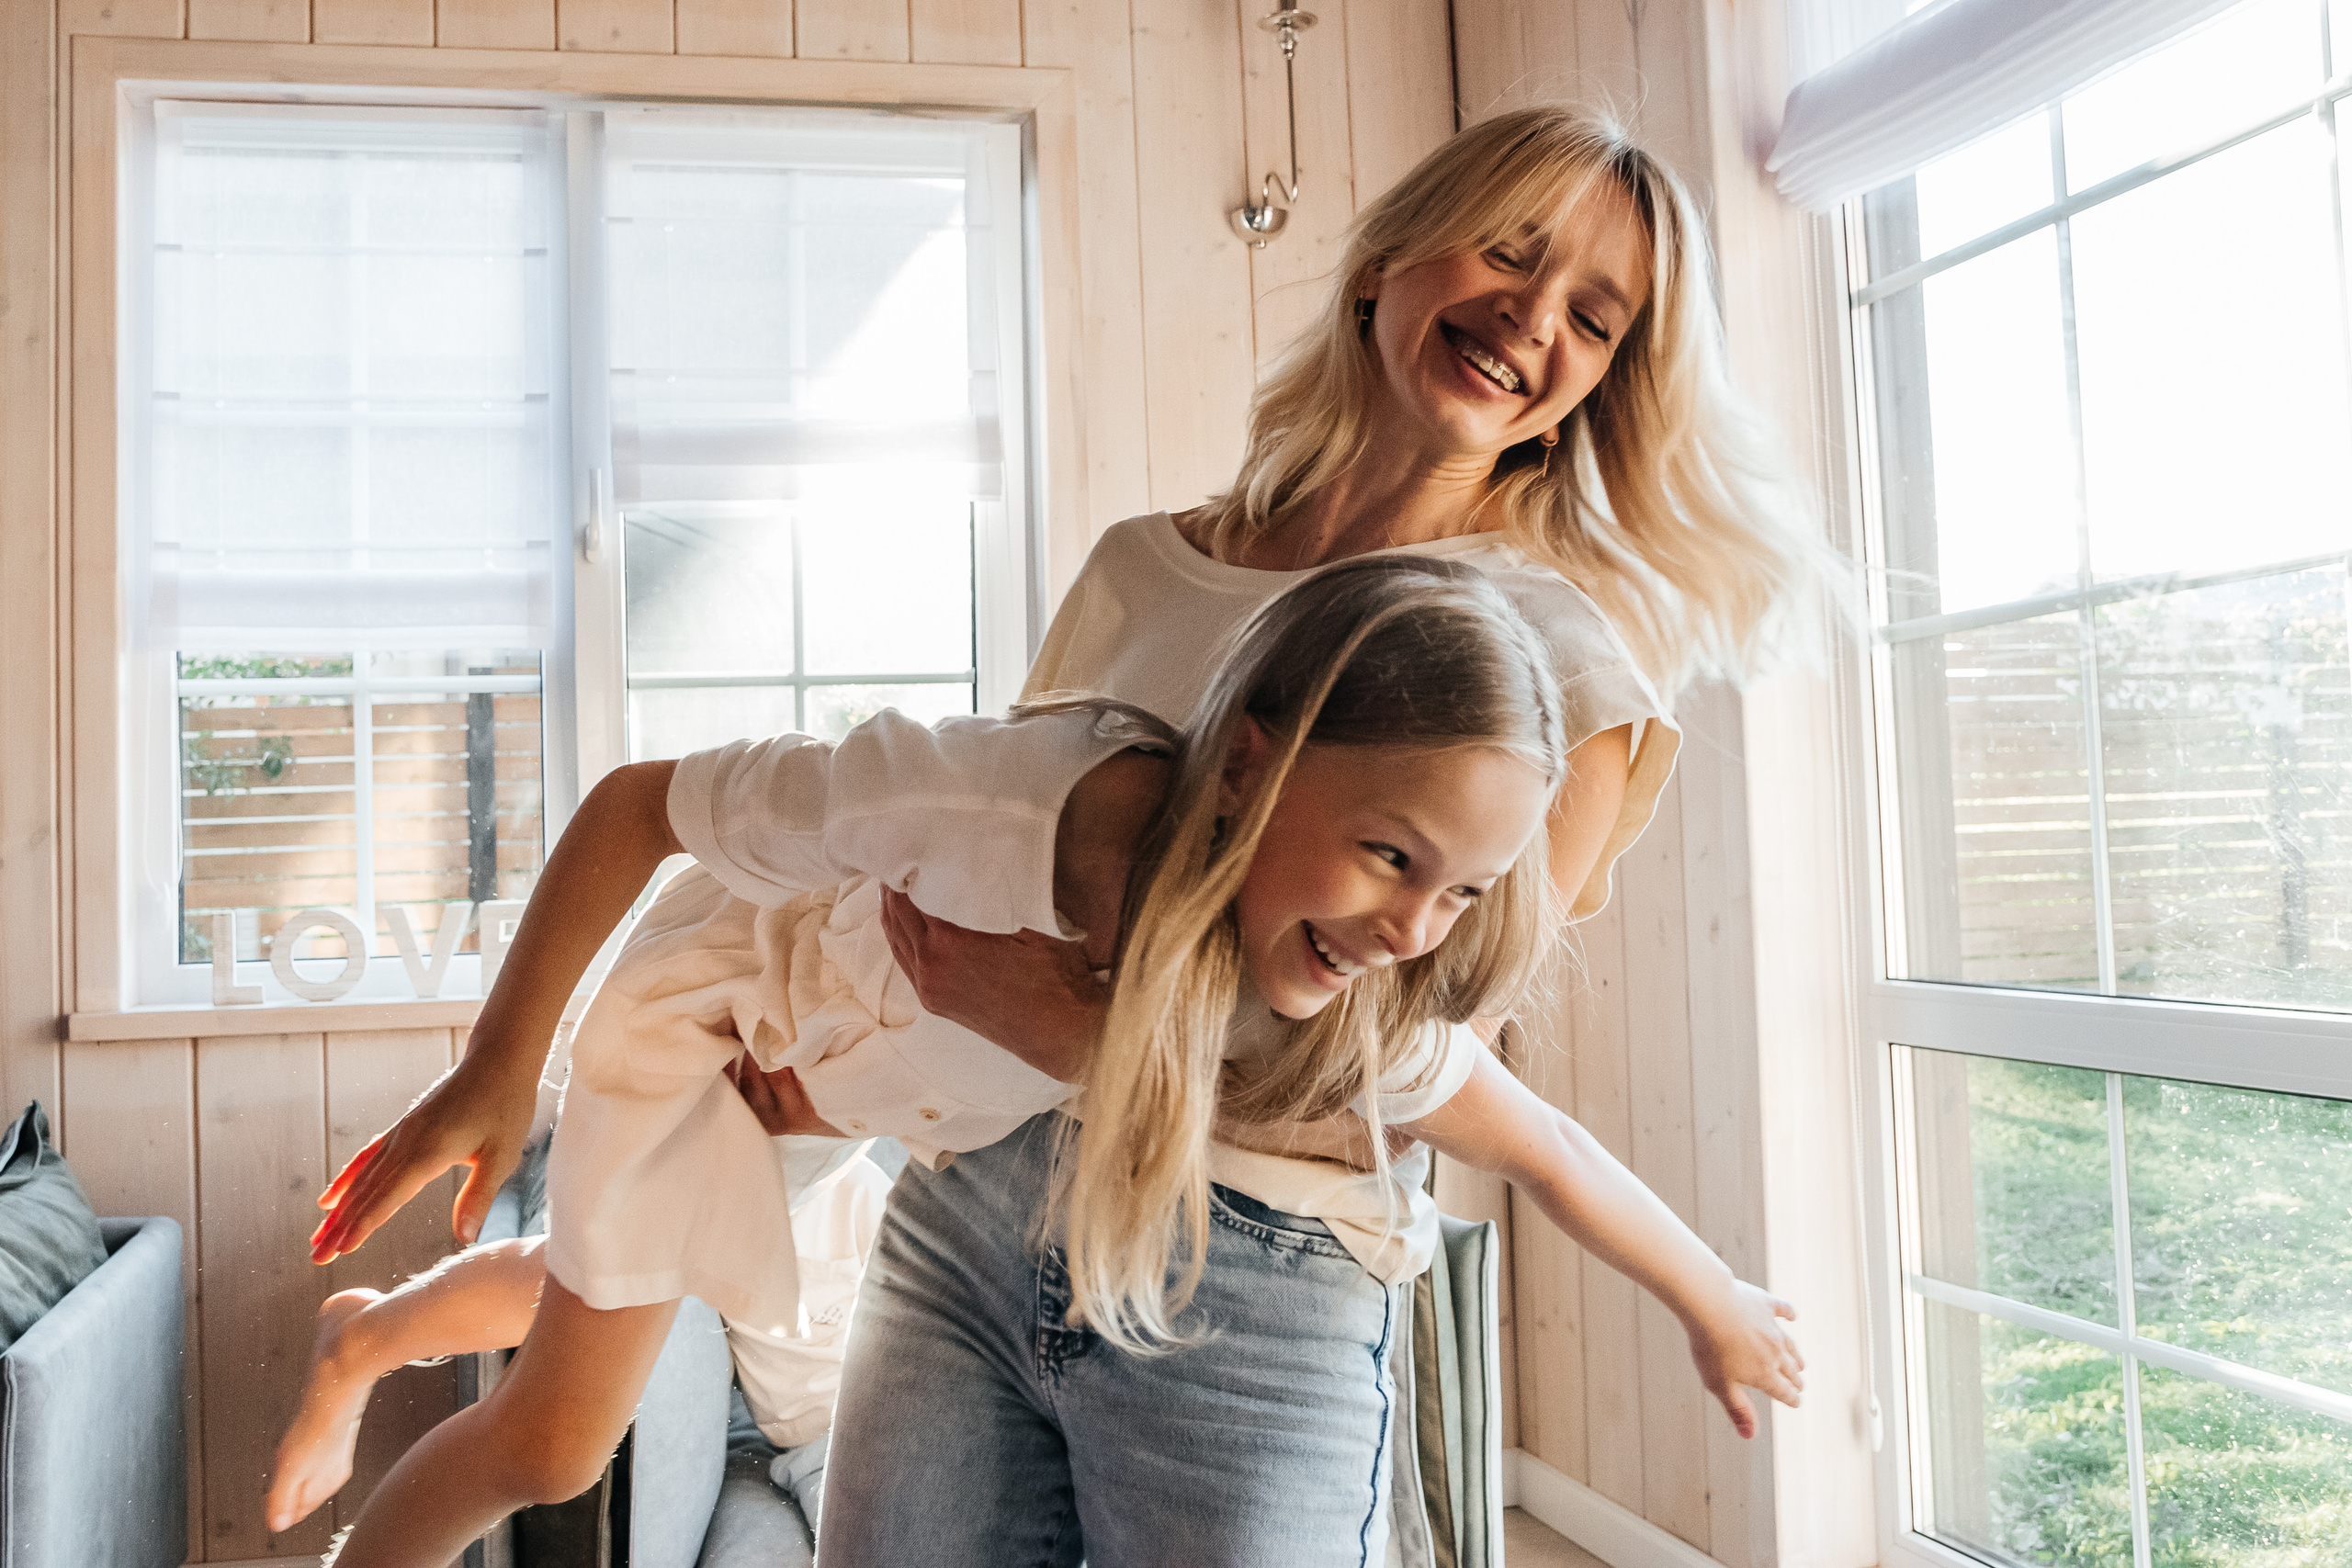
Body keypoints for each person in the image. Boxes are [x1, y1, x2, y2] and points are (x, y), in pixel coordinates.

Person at [315, 102, 1831, 1566]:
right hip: (973, 1206)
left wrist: (1046, 1020)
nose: (1535, 318)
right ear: (1387, 261)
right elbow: (1000, 861)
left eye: (1598, 316)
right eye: (1511, 252)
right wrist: (852, 1063)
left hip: (1249, 1261)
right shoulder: (1142, 569)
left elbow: (1380, 1064)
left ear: (1607, 382)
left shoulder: (1560, 675)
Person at [305, 558, 1707, 1568]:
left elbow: (1540, 1137)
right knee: (554, 1438)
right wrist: (496, 1066)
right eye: (1391, 854)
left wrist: (1718, 1302)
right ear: (1251, 769)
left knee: (622, 1291)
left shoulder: (1324, 971)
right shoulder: (977, 799)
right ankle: (366, 1355)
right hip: (721, 1033)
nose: (1410, 925)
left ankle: (370, 1328)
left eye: (1462, 890)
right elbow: (635, 805)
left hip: (858, 1105)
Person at [263, 1132, 892, 1547]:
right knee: (610, 1276)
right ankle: (362, 1339)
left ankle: (363, 1337)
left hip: (841, 1420)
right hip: (866, 1375)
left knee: (561, 1440)